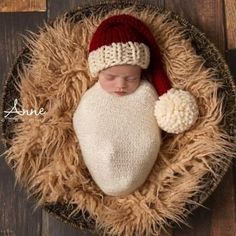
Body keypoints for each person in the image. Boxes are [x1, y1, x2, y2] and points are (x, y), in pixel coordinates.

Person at [72, 14, 199, 196]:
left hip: (138, 150)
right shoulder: (92, 97)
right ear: (97, 71)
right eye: (110, 77)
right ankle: (106, 174)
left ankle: (131, 174)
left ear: (141, 72)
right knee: (104, 148)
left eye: (131, 78)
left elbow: (153, 128)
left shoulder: (146, 93)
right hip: (101, 147)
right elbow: (83, 119)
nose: (121, 85)